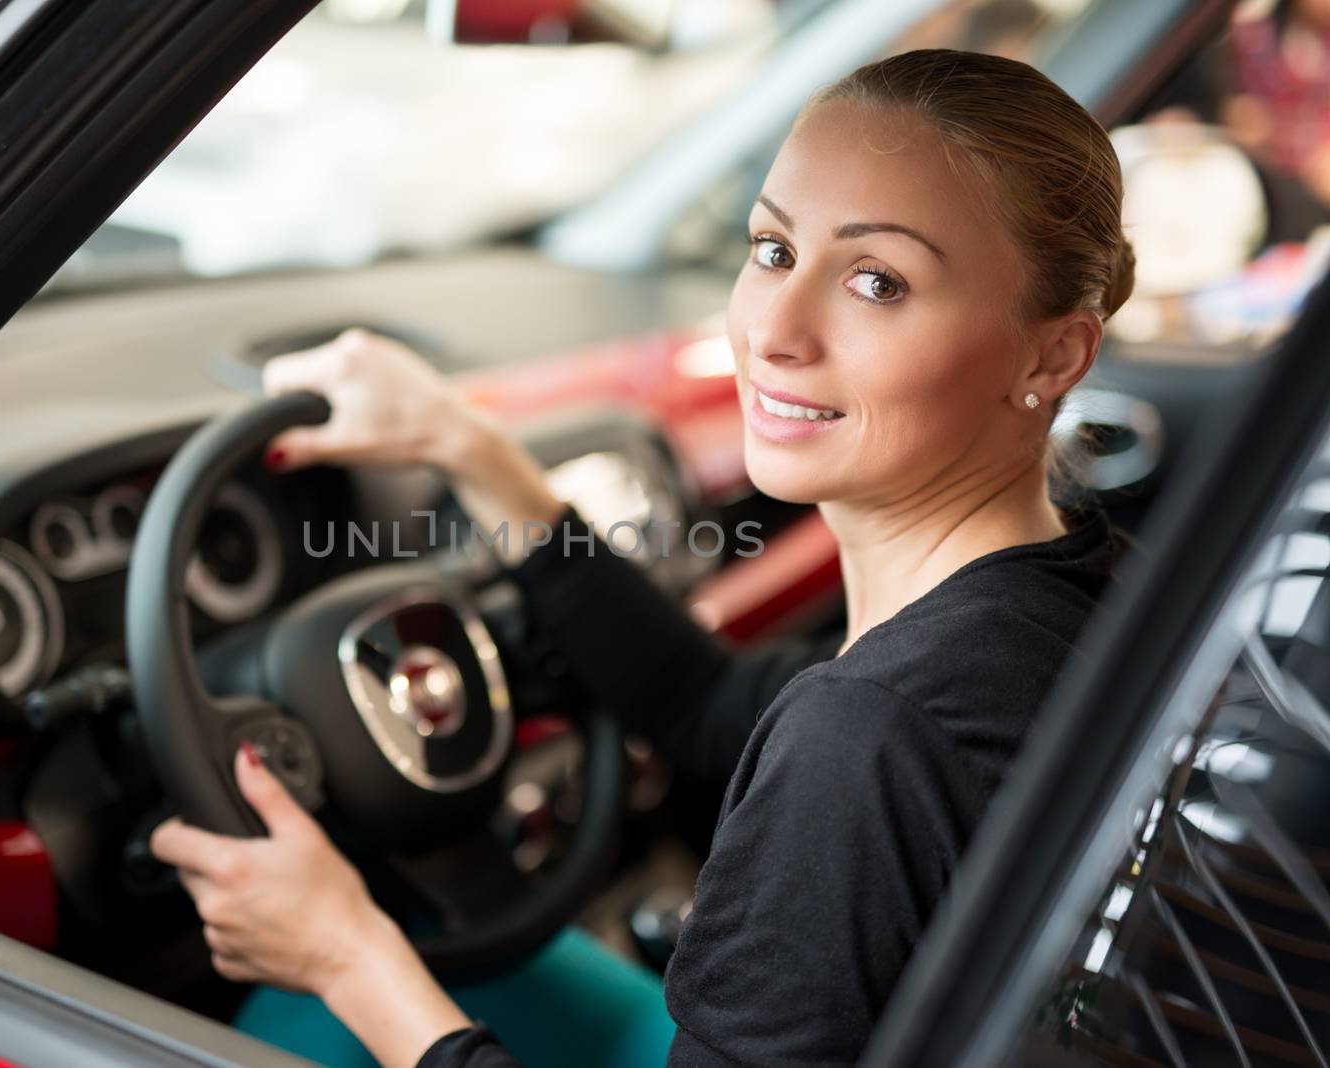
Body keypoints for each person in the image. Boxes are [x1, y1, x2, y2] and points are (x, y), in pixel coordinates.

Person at [148, 47, 1137, 1067]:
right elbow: (704, 704)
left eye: (877, 281)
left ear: (1052, 353)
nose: (774, 331)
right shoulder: (1093, 587)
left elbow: (840, 739)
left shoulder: (874, 732)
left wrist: (343, 954)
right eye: (770, 249)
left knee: (288, 1025)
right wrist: (470, 449)